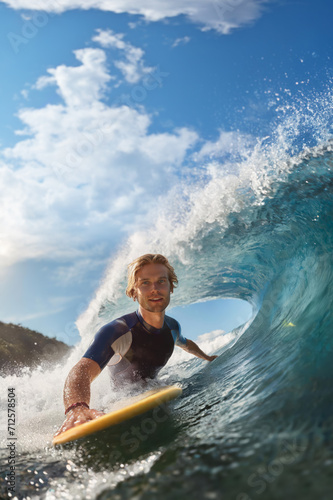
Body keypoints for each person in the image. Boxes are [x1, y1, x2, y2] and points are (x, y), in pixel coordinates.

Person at [55, 254, 217, 436]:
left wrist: (207, 357)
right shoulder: (117, 331)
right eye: (145, 283)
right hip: (119, 401)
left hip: (154, 389)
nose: (155, 289)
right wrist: (76, 408)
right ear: (133, 292)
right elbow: (82, 371)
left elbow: (186, 344)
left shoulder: (172, 327)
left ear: (171, 287)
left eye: (161, 281)